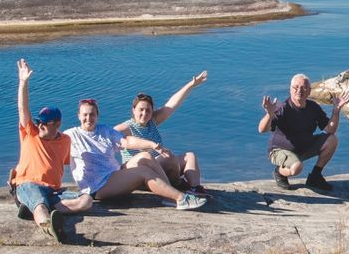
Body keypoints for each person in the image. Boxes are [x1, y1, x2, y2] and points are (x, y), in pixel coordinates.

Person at [66, 97, 207, 210]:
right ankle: (179, 198)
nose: (89, 118)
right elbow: (53, 148)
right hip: (97, 187)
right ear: (79, 115)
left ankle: (171, 194)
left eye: (92, 114)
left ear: (97, 115)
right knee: (144, 172)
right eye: (85, 114)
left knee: (146, 158)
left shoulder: (105, 130)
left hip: (113, 175)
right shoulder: (71, 135)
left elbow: (127, 141)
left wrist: (151, 145)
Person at [11, 58, 76, 243]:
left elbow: (69, 162)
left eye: (43, 123)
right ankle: (49, 227)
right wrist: (23, 82)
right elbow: (22, 108)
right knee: (40, 205)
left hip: (54, 191)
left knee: (85, 200)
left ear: (57, 124)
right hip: (28, 184)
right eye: (38, 122)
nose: (39, 125)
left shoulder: (65, 140)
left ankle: (31, 209)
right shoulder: (30, 133)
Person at [115, 71, 208, 195]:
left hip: (158, 167)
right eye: (140, 110)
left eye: (148, 110)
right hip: (139, 171)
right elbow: (106, 135)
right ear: (133, 110)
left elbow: (173, 104)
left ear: (152, 111)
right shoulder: (126, 127)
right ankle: (175, 187)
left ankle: (194, 188)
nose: (144, 113)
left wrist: (191, 85)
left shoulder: (152, 121)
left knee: (190, 156)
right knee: (169, 157)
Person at [259, 73, 349, 192]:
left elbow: (330, 129)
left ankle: (315, 176)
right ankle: (279, 173)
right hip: (279, 150)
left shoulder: (313, 107)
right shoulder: (283, 108)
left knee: (332, 140)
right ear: (290, 90)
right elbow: (262, 129)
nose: (299, 90)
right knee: (297, 168)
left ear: (309, 91)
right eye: (296, 87)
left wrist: (336, 110)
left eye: (303, 88)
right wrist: (269, 114)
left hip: (302, 147)